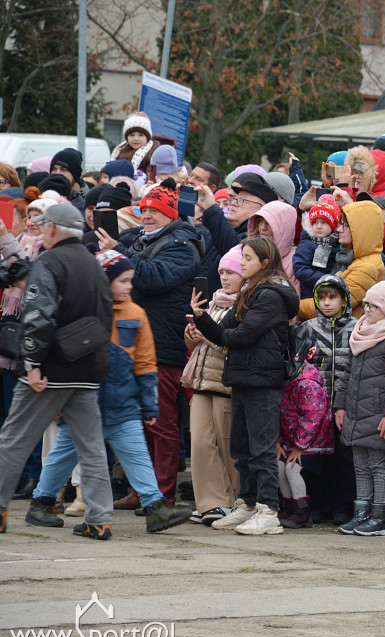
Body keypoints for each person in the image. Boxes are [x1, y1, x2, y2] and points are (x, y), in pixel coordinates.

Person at [25, 250, 190, 533]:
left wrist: (149, 406)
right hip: (83, 407)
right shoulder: (78, 310)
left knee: (137, 455)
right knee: (62, 457)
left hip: (122, 407)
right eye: (123, 281)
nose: (129, 287)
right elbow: (61, 356)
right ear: (103, 280)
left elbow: (146, 363)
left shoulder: (136, 313)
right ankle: (42, 502)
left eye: (131, 281)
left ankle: (155, 507)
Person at [0, 205, 114, 539]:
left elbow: (38, 317)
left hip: (48, 370)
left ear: (52, 229)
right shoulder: (95, 265)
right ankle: (100, 519)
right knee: (92, 447)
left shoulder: (49, 263)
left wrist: (33, 364)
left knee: (13, 441)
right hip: (87, 366)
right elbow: (106, 315)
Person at [97, 184, 203, 508]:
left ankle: (163, 494)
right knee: (138, 423)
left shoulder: (183, 246)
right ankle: (141, 491)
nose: (146, 215)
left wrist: (118, 250)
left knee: (162, 423)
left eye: (154, 210)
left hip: (164, 344)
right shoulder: (138, 240)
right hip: (135, 345)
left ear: (170, 213)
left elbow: (153, 277)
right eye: (143, 209)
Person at [191, 236, 300, 536]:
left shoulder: (271, 294)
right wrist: (201, 318)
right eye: (243, 257)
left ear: (265, 263)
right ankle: (248, 504)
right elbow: (223, 333)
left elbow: (242, 335)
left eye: (248, 258)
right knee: (241, 445)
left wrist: (224, 332)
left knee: (262, 447)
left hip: (263, 379)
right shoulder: (248, 292)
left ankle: (268, 510)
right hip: (241, 377)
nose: (242, 263)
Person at [339, 279, 385, 536]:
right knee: (360, 465)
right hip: (356, 411)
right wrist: (341, 407)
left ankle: (381, 516)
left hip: (379, 413)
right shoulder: (360, 331)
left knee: (379, 464)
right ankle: (362, 512)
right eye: (365, 304)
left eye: (374, 306)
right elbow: (347, 373)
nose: (366, 310)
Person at [183, 246, 243, 526]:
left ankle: (232, 502)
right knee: (200, 444)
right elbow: (196, 343)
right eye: (221, 272)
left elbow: (228, 341)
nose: (225, 278)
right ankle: (210, 503)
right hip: (201, 381)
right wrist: (192, 331)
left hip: (224, 383)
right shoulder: (215, 302)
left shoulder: (244, 304)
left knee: (226, 445)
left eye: (231, 272)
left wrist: (204, 331)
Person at [301, 275, 357, 526]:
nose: (327, 303)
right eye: (322, 298)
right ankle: (317, 504)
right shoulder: (308, 329)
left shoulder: (357, 328)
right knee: (314, 458)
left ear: (344, 300)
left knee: (343, 459)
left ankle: (343, 506)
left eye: (333, 297)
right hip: (315, 408)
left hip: (345, 407)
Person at [276, 357, 334, 529]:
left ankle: (303, 511)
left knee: (292, 469)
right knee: (278, 467)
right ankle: (289, 507)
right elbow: (279, 415)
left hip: (314, 441)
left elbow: (313, 418)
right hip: (291, 440)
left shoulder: (307, 384)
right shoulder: (283, 384)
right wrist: (278, 441)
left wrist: (299, 447)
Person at [294, 196, 344, 298]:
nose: (319, 226)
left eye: (324, 222)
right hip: (312, 293)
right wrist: (326, 278)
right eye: (315, 222)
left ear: (333, 225)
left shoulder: (340, 242)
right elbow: (300, 269)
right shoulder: (307, 244)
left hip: (334, 293)